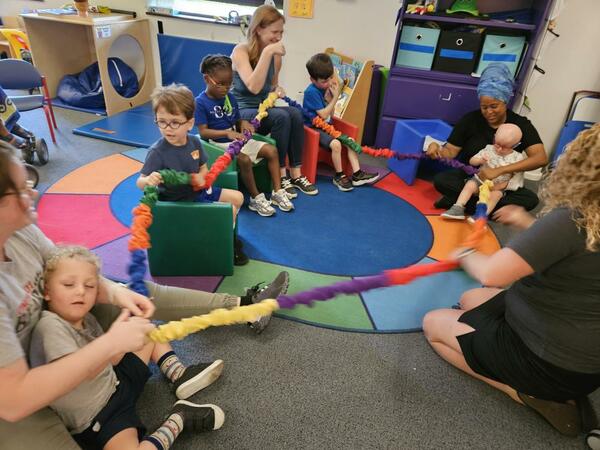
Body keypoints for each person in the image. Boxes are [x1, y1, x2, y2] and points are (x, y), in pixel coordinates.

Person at [0, 140, 288, 449]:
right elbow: (14, 401)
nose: (33, 192)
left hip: (68, 347)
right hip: (19, 398)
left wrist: (113, 292)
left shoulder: (21, 231)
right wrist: (110, 344)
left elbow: (65, 272)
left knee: (135, 295)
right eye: (20, 190)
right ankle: (175, 411)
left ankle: (244, 307)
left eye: (29, 181)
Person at [422, 123, 600, 438]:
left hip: (548, 360)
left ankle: (525, 394)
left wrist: (463, 254)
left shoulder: (573, 219)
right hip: (578, 356)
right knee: (469, 300)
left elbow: (493, 274)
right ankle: (549, 385)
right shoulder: (586, 221)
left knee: (434, 324)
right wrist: (525, 221)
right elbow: (571, 256)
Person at [30, 245, 224, 450]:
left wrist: (123, 335)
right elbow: (74, 375)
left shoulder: (87, 319)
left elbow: (111, 361)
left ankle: (177, 372)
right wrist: (115, 341)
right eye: (69, 284)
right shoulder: (50, 326)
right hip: (100, 417)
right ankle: (179, 419)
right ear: (47, 292)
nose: (80, 291)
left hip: (115, 382)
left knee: (145, 330)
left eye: (89, 286)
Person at [136, 83, 248, 265]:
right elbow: (139, 182)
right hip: (179, 203)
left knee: (238, 197)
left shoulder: (194, 143)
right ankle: (225, 243)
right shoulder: (157, 152)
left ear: (189, 123)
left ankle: (221, 231)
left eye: (174, 122)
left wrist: (202, 177)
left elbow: (203, 167)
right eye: (161, 121)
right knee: (231, 211)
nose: (167, 128)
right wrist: (148, 180)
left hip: (198, 192)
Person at [426, 63, 548, 215]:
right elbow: (450, 151)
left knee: (530, 200)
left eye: (494, 106)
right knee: (441, 180)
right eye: (484, 107)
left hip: (501, 185)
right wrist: (435, 147)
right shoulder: (469, 120)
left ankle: (459, 202)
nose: (489, 112)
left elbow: (540, 158)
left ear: (505, 101)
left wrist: (499, 170)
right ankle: (481, 205)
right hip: (471, 178)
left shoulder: (520, 124)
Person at [231, 4, 319, 198]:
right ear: (258, 29)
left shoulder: (275, 57)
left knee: (294, 113)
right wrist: (268, 52)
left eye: (281, 32)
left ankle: (295, 173)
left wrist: (276, 90)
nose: (278, 37)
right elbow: (253, 86)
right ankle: (279, 174)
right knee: (281, 117)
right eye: (274, 32)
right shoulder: (241, 51)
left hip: (262, 110)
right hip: (242, 113)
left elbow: (268, 87)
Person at [195, 54, 294, 216]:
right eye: (221, 84)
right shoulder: (200, 102)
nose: (226, 89)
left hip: (236, 140)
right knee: (244, 159)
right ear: (207, 79)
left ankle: (277, 192)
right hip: (217, 144)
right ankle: (256, 198)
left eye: (229, 84)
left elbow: (237, 119)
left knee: (272, 150)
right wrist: (227, 133)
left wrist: (243, 124)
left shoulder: (229, 97)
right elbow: (203, 132)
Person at [303, 53, 379, 192]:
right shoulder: (311, 92)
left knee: (349, 141)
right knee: (336, 144)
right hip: (314, 129)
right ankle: (339, 175)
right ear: (312, 80)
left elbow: (330, 115)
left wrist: (330, 98)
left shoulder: (324, 88)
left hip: (326, 127)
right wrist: (335, 96)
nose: (329, 82)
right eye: (324, 81)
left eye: (330, 77)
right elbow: (323, 114)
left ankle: (357, 174)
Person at [442, 123, 525, 220]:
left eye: (505, 147)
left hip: (497, 187)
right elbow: (472, 161)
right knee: (470, 185)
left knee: (496, 195)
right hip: (480, 181)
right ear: (494, 138)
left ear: (516, 145)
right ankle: (458, 207)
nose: (499, 149)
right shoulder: (489, 148)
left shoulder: (518, 158)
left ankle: (481, 216)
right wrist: (480, 160)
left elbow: (517, 179)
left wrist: (502, 186)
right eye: (497, 144)